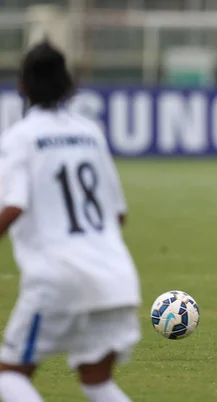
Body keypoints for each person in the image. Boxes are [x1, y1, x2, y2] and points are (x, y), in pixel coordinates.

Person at [0, 40, 140, 402]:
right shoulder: (89, 133)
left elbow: (13, 205)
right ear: (69, 84)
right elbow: (118, 213)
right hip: (114, 277)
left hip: (57, 277)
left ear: (23, 86)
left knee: (9, 374)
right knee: (97, 382)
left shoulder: (20, 138)